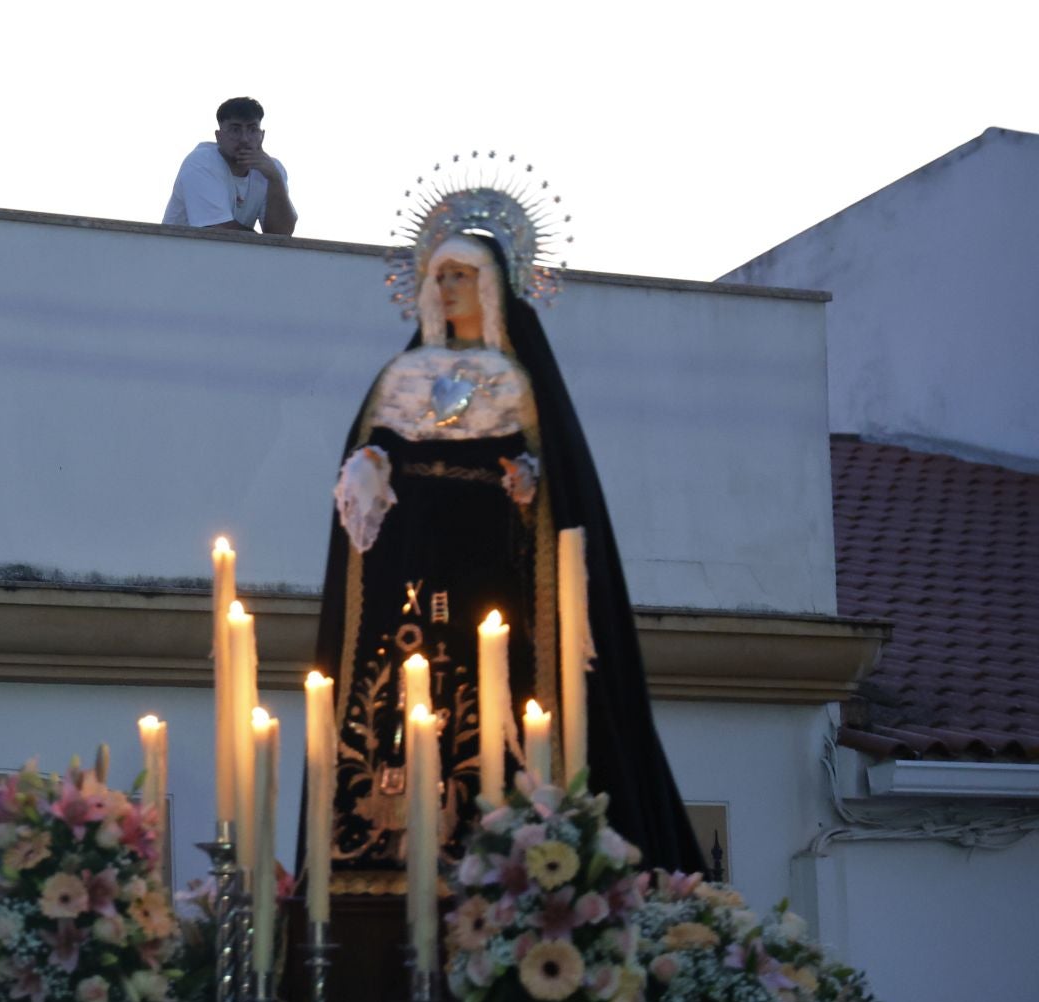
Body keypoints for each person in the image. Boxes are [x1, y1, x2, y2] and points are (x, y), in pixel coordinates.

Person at [310, 196, 704, 894]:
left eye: (461, 275)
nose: (447, 287)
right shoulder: (400, 379)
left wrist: (527, 481)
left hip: (493, 583)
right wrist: (368, 465)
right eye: (439, 276)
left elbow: (560, 491)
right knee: (398, 712)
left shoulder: (520, 382)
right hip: (410, 582)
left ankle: (512, 835)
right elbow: (372, 461)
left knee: (498, 709)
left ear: (492, 285)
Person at [161, 97, 297, 235]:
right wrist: (261, 242)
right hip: (179, 248)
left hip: (228, 249)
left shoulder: (271, 169)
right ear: (218, 136)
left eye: (252, 129)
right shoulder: (201, 162)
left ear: (262, 135)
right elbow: (218, 229)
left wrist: (275, 180)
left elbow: (281, 233)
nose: (244, 139)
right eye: (235, 130)